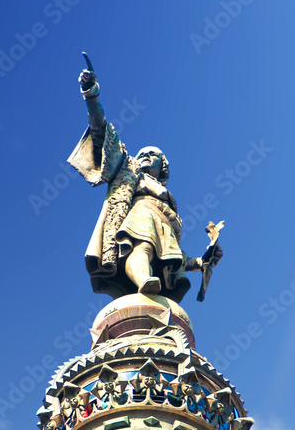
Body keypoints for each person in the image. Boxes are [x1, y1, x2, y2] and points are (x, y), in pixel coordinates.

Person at [68, 63, 222, 302]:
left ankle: (147, 283)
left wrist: (204, 261)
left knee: (161, 255)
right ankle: (143, 281)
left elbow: (176, 259)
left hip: (163, 222)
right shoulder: (128, 169)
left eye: (153, 155)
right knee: (140, 248)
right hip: (140, 214)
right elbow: (102, 132)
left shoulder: (167, 199)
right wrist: (91, 95)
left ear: (163, 166)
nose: (145, 157)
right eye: (142, 155)